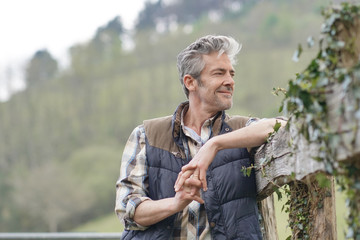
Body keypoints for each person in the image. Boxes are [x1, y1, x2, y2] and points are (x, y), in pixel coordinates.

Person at [115, 35, 286, 240]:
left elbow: (283, 127)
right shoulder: (146, 135)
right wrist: (176, 203)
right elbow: (127, 210)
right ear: (190, 82)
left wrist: (214, 144)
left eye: (231, 73)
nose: (230, 81)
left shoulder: (241, 130)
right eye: (219, 73)